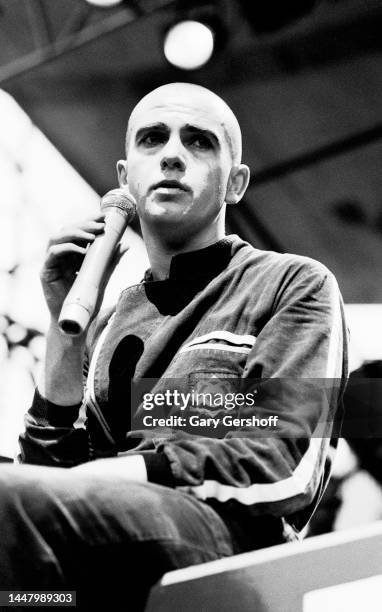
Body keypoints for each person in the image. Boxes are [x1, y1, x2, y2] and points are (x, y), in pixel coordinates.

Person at [0, 83, 348, 610]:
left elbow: (285, 460)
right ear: (125, 179)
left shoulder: (291, 283)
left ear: (235, 184)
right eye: (153, 138)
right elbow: (51, 480)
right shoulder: (109, 317)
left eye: (199, 142)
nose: (171, 154)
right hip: (111, 544)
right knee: (29, 595)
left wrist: (132, 470)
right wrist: (60, 327)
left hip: (225, 545)